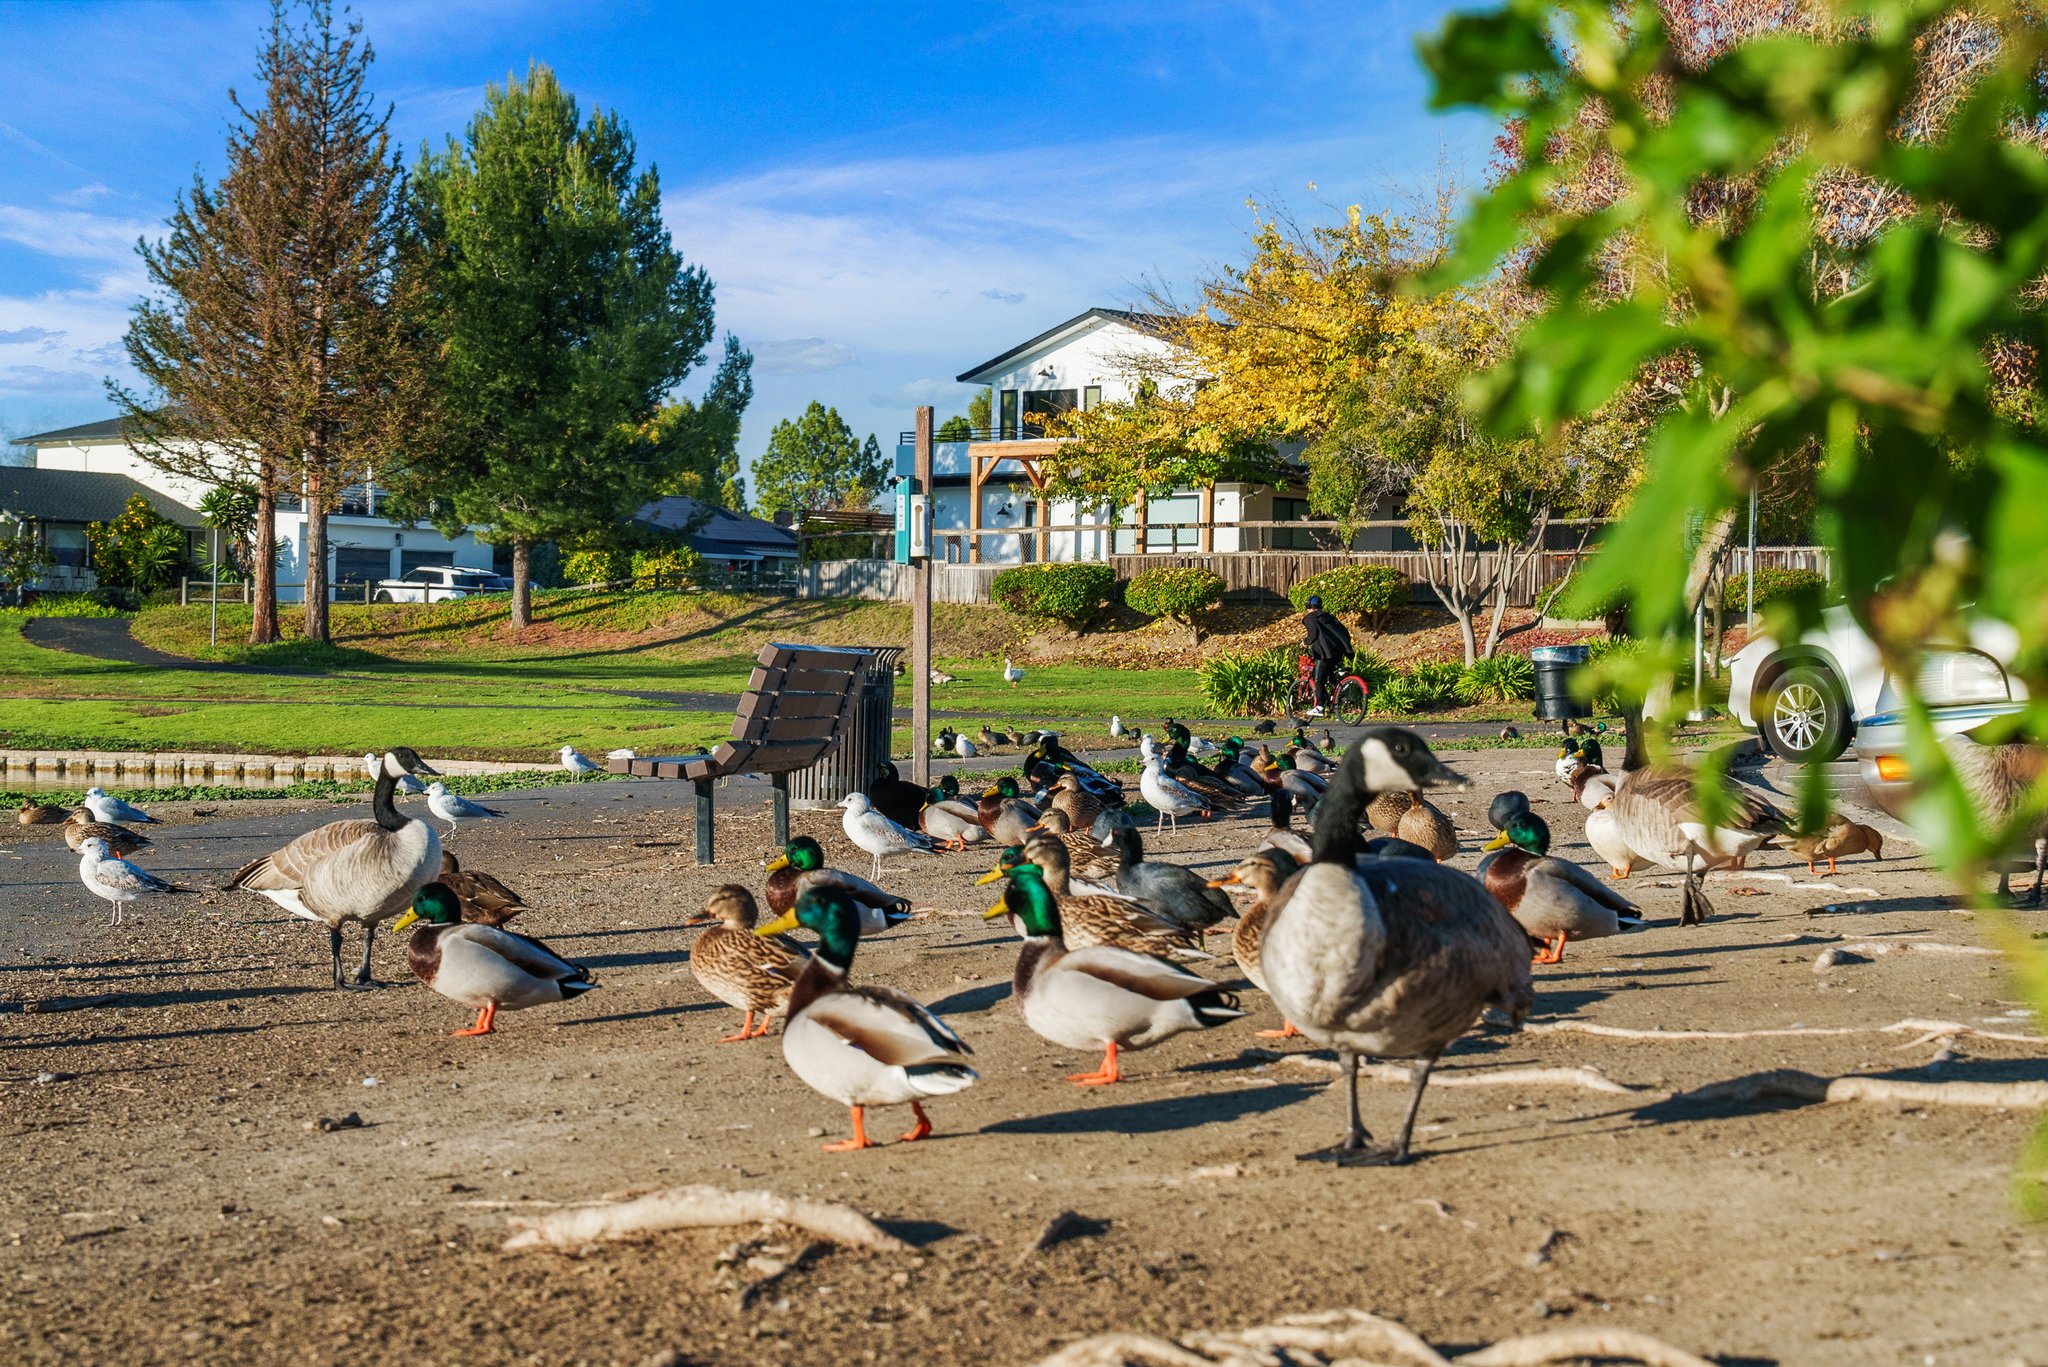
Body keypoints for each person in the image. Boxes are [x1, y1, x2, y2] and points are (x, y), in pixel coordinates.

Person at [1299, 593, 1352, 716]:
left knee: (1319, 680)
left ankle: (1319, 706)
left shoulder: (1309, 618)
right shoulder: (1329, 617)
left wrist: (1305, 642)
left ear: (1309, 606)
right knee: (1331, 675)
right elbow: (1343, 630)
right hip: (1338, 651)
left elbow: (1313, 634)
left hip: (1324, 653)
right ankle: (1342, 693)